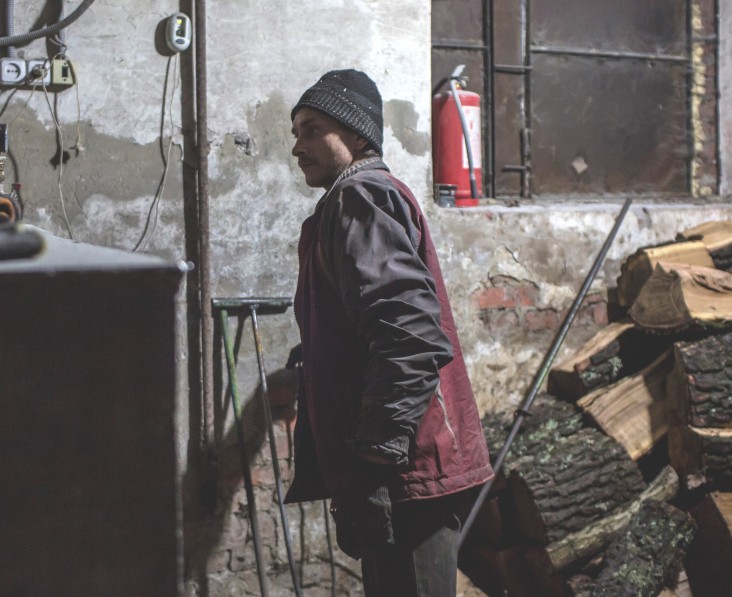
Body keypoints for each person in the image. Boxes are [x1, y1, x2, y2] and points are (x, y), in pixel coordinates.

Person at [284, 69, 493, 596]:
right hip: (394, 471)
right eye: (295, 133)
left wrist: (374, 463)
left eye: (311, 130)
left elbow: (409, 334)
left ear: (355, 135)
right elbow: (371, 322)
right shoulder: (348, 203)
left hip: (402, 474)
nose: (297, 146)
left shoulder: (361, 199)